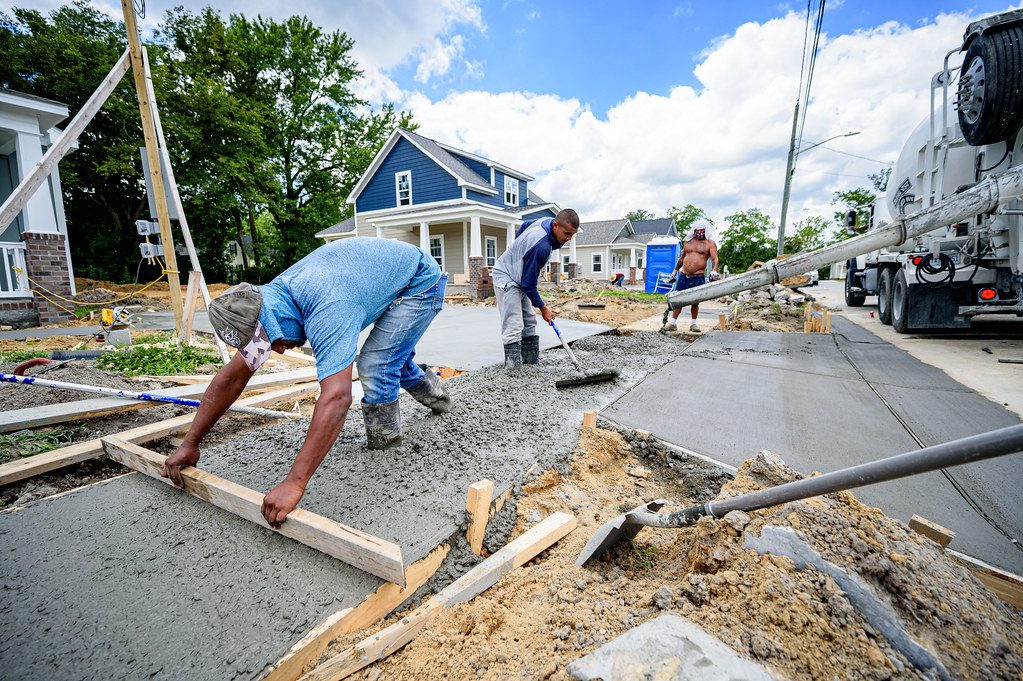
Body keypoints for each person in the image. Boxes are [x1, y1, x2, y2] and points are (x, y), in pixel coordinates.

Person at [161, 237, 451, 528]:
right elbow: (233, 376)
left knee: (376, 364)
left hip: (419, 281)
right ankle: (438, 396)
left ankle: (386, 451)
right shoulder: (269, 302)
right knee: (390, 355)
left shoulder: (328, 308)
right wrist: (191, 442)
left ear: (272, 321)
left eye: (275, 341)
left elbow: (338, 397)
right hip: (377, 276)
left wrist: (295, 483)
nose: (278, 350)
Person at [492, 208, 580, 369]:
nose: (568, 238)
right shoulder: (541, 246)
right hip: (506, 275)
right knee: (514, 323)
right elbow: (528, 285)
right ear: (555, 226)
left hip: (519, 276)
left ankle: (530, 365)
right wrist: (544, 308)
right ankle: (513, 370)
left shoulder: (545, 221)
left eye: (572, 235)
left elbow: (525, 225)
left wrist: (519, 248)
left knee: (529, 320)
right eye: (566, 234)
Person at [663, 218, 719, 333]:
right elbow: (682, 258)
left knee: (695, 301)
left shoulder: (710, 243)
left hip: (697, 277)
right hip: (684, 276)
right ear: (694, 230)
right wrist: (674, 273)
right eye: (697, 231)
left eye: (701, 231)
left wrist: (714, 270)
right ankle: (673, 323)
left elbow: (715, 259)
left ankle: (693, 324)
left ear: (706, 230)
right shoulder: (688, 241)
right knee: (679, 300)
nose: (699, 233)